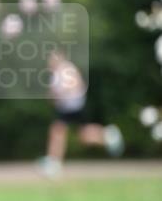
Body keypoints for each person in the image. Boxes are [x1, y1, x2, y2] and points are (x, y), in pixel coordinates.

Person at [37, 48, 124, 177]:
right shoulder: (54, 75)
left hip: (74, 107)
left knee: (59, 131)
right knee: (81, 136)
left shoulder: (67, 69)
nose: (50, 61)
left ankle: (54, 163)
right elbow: (54, 96)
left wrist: (62, 93)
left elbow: (76, 85)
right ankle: (107, 135)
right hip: (66, 108)